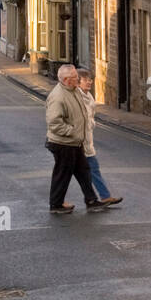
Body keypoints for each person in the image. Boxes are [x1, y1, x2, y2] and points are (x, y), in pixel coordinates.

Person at [45, 65, 108, 215]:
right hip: (63, 143)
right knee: (63, 174)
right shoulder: (58, 97)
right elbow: (54, 123)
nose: (78, 80)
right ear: (66, 80)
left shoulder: (73, 91)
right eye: (75, 78)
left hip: (75, 142)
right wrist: (73, 132)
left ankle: (91, 200)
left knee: (84, 171)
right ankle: (56, 204)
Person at [77, 71, 122, 207]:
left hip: (87, 141)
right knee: (66, 174)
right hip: (78, 142)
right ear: (78, 82)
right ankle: (58, 201)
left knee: (93, 170)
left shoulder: (88, 96)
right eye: (86, 80)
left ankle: (103, 197)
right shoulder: (77, 98)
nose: (89, 82)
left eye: (90, 79)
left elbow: (90, 117)